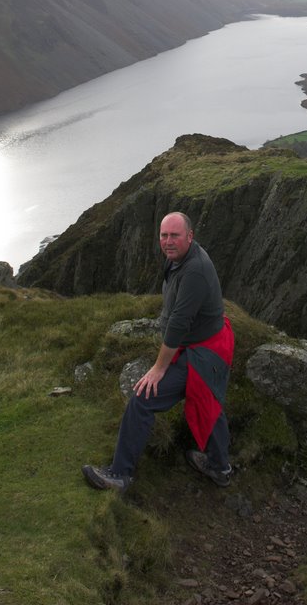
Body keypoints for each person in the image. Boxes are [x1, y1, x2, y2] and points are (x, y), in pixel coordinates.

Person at [82, 211, 234, 493]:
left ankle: (120, 475)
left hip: (205, 351)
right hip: (202, 344)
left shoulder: (195, 270)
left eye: (174, 235)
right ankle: (219, 467)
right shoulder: (180, 259)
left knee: (144, 398)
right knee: (209, 401)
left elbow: (178, 324)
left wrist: (159, 367)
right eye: (163, 236)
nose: (168, 241)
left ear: (190, 236)